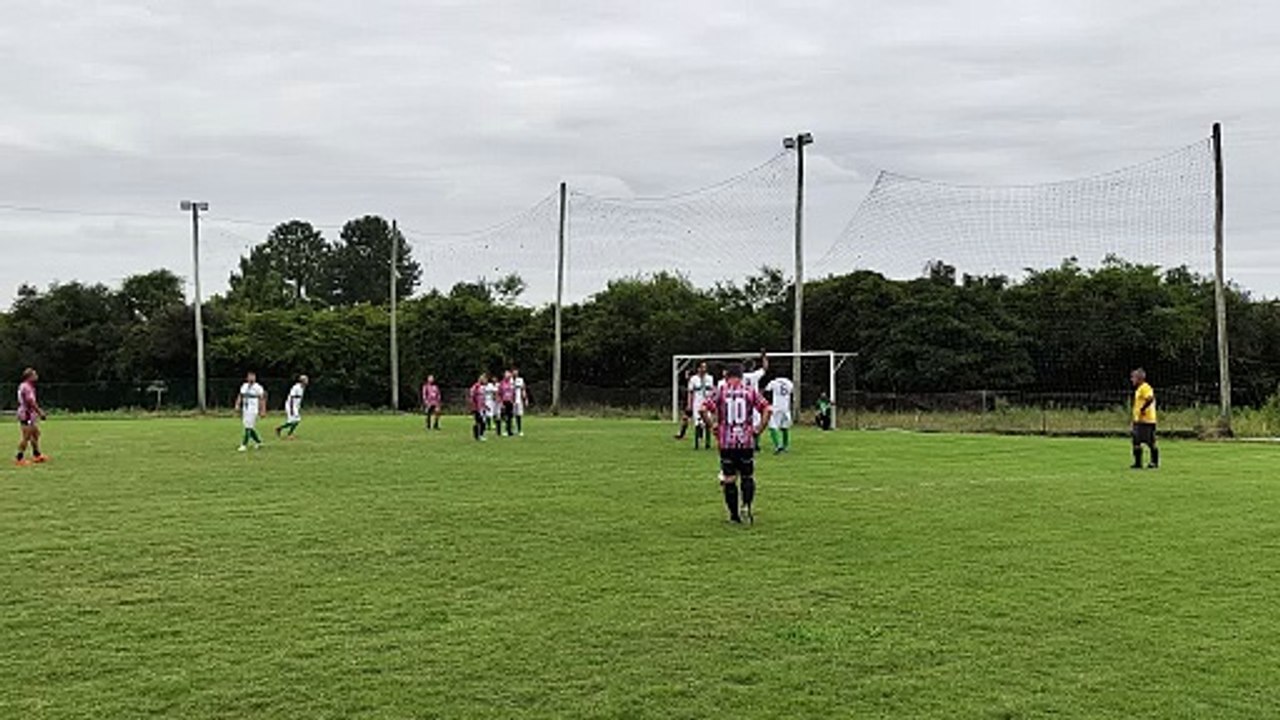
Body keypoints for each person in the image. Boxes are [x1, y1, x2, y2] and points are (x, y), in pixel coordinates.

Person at [701, 364, 772, 525]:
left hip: (726, 442)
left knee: (729, 479)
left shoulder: (720, 391)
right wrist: (759, 428)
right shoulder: (750, 391)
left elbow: (702, 409)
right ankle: (746, 506)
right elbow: (767, 408)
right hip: (745, 441)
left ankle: (733, 516)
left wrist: (712, 425)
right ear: (741, 376)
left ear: (727, 376)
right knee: (747, 476)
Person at [14, 368, 48, 466]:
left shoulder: (25, 385)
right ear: (29, 377)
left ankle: (37, 455)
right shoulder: (27, 387)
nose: (36, 376)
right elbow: (31, 402)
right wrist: (40, 412)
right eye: (34, 374)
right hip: (26, 414)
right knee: (26, 436)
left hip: (28, 413)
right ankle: (19, 458)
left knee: (36, 433)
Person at [1131, 368, 1159, 469]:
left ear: (1139, 378)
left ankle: (1154, 462)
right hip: (1139, 420)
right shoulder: (1139, 389)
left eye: (1133, 377)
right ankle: (1138, 463)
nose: (1132, 380)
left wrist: (1143, 409)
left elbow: (1150, 398)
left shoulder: (1145, 387)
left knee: (1150, 442)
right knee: (1136, 441)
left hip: (1147, 420)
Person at [684, 362, 716, 450]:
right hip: (697, 402)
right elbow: (690, 392)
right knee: (697, 423)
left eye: (705, 367)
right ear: (698, 368)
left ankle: (707, 443)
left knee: (708, 422)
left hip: (707, 402)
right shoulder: (693, 379)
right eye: (702, 367)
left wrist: (713, 401)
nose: (704, 369)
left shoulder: (710, 378)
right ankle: (697, 442)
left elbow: (712, 390)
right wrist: (689, 404)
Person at [235, 371, 267, 451]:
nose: (251, 378)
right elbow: (240, 396)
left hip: (253, 409)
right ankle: (259, 442)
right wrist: (237, 405)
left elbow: (262, 399)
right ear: (247, 378)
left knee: (248, 426)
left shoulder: (258, 387)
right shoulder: (244, 386)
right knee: (248, 426)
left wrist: (262, 410)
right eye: (250, 377)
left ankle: (244, 444)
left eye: (253, 377)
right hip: (245, 408)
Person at [764, 375, 795, 454]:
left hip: (776, 407)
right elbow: (791, 392)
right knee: (785, 427)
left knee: (772, 426)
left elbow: (767, 390)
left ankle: (778, 446)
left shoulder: (774, 382)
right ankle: (785, 446)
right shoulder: (789, 383)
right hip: (786, 408)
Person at [275, 375, 308, 439]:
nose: (307, 381)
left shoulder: (302, 388)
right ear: (302, 381)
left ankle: (280, 429)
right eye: (305, 380)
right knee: (294, 421)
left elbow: (299, 398)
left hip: (295, 406)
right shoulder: (296, 387)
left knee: (296, 421)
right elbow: (292, 398)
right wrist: (292, 408)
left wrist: (298, 407)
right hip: (291, 406)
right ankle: (288, 434)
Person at [469, 374, 488, 442]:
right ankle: (478, 436)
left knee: (483, 422)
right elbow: (472, 397)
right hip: (477, 407)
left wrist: (485, 406)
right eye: (484, 379)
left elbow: (482, 398)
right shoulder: (476, 386)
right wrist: (473, 406)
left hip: (482, 408)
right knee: (479, 421)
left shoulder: (483, 387)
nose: (486, 381)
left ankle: (480, 435)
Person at [511, 367, 529, 436]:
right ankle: (511, 429)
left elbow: (523, 390)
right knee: (511, 415)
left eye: (516, 372)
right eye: (514, 372)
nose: (515, 373)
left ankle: (519, 430)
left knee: (519, 415)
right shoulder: (509, 380)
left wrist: (526, 399)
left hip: (518, 400)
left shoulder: (520, 380)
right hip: (511, 400)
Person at [499, 370, 516, 437]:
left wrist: (513, 400)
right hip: (504, 401)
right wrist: (501, 402)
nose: (508, 377)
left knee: (510, 417)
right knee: (504, 417)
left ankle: (509, 431)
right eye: (507, 376)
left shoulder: (511, 383)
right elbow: (499, 393)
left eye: (509, 376)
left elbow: (513, 392)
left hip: (510, 401)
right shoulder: (502, 383)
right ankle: (503, 430)